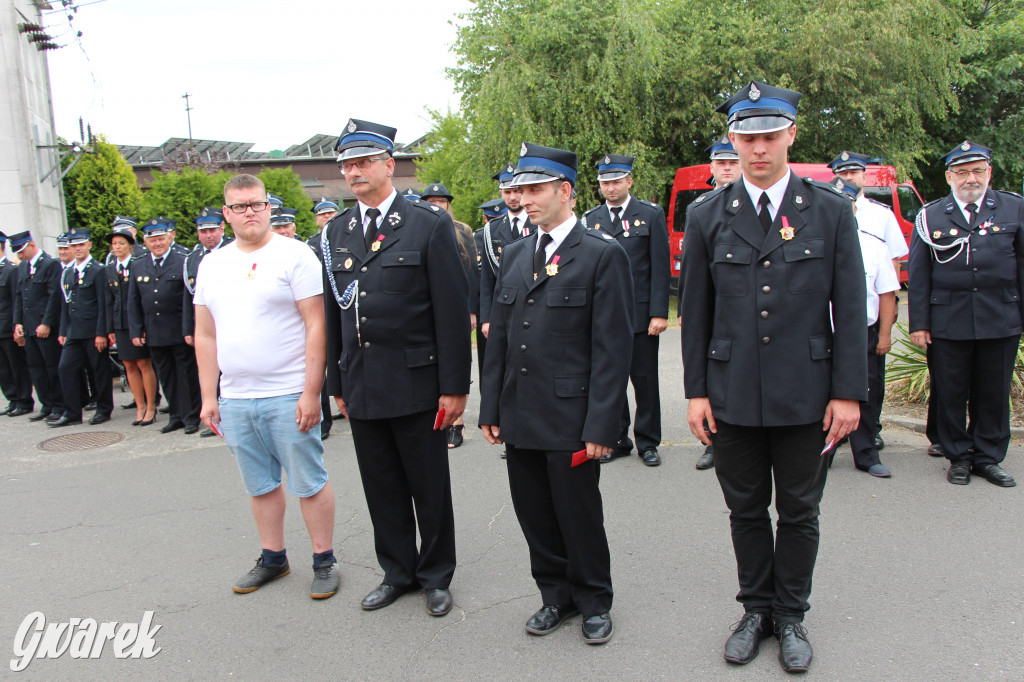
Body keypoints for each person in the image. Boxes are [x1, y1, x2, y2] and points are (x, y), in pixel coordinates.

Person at [680, 81, 866, 673]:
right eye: (746, 138)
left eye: (768, 136)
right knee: (745, 510)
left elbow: (849, 304)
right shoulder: (707, 214)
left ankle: (791, 615)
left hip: (807, 393)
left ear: (791, 135)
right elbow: (696, 315)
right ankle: (755, 609)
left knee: (801, 511)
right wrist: (695, 392)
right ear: (733, 141)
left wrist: (847, 393)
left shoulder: (830, 210)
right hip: (731, 391)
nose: (757, 149)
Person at [479, 142, 632, 645]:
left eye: (535, 189)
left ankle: (593, 600)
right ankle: (555, 596)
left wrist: (603, 425)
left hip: (572, 414)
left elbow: (612, 350)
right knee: (535, 514)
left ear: (565, 191)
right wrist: (490, 407)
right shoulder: (517, 252)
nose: (524, 198)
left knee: (578, 513)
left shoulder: (602, 255)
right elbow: (499, 335)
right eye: (520, 189)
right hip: (521, 412)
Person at [322, 118, 470, 617]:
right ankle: (397, 572)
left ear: (390, 164)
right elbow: (331, 315)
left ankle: (435, 575)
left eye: (364, 162)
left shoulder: (428, 224)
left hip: (417, 380)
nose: (354, 171)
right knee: (380, 484)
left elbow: (451, 313)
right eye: (347, 164)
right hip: (362, 382)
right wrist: (335, 381)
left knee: (428, 484)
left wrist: (454, 386)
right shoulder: (335, 232)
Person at [195, 173, 338, 599]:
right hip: (236, 397)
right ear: (226, 214)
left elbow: (317, 324)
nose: (249, 213)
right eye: (239, 207)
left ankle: (324, 560)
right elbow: (205, 333)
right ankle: (273, 558)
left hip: (288, 392)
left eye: (256, 204)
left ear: (269, 207)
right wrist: (208, 396)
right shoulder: (212, 264)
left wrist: (312, 392)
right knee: (259, 484)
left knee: (308, 481)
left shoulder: (295, 256)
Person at [908, 141, 1024, 488]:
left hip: (1000, 317)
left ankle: (988, 458)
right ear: (949, 176)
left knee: (993, 391)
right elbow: (919, 274)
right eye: (962, 172)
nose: (970, 178)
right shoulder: (930, 216)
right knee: (951, 390)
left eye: (977, 171)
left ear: (989, 173)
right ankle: (958, 456)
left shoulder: (1013, 208)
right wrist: (919, 323)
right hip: (948, 320)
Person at [581, 154, 670, 466]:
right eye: (605, 182)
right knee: (610, 380)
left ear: (630, 181)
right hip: (605, 318)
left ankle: (648, 442)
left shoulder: (650, 214)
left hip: (641, 316)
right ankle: (617, 440)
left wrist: (659, 312)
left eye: (616, 181)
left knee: (645, 381)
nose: (611, 187)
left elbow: (660, 266)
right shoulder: (591, 219)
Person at [829, 150, 908, 452]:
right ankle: (829, 441)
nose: (849, 177)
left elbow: (892, 272)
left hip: (866, 322)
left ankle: (868, 438)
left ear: (864, 175)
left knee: (869, 384)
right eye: (843, 173)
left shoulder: (879, 219)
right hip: (826, 327)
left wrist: (888, 326)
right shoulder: (819, 226)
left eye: (854, 173)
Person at [694, 136, 742, 471]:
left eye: (732, 161)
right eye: (721, 162)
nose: (726, 168)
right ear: (711, 168)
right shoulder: (703, 210)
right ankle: (712, 443)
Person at [128, 218, 202, 434]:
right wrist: (136, 330)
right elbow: (133, 301)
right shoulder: (138, 264)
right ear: (145, 241)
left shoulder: (183, 261)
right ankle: (176, 415)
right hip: (154, 330)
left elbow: (189, 300)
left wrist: (189, 329)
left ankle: (191, 416)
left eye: (161, 239)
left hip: (178, 329)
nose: (157, 244)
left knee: (186, 375)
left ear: (170, 238)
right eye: (153, 240)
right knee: (166, 376)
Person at [478, 165, 532, 459]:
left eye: (517, 191)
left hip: (530, 309)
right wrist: (487, 317)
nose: (513, 197)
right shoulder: (491, 229)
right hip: (500, 313)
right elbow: (487, 281)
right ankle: (507, 429)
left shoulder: (538, 223)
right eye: (507, 192)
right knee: (503, 374)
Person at [420, 182, 479, 449]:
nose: (437, 205)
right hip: (429, 309)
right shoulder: (419, 229)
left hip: (458, 307)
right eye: (431, 201)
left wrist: (472, 310)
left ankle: (456, 423)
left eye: (441, 201)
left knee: (456, 359)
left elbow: (470, 273)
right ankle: (439, 415)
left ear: (448, 205)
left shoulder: (462, 230)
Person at [52, 229, 113, 427]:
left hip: (93, 331)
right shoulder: (68, 272)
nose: (77, 249)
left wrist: (101, 332)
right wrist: (63, 331)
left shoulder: (98, 270)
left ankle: (103, 408)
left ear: (89, 245)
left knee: (99, 371)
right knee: (65, 368)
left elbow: (104, 304)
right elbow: (65, 304)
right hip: (73, 332)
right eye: (73, 246)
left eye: (80, 245)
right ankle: (72, 412)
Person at [183, 208, 233, 437]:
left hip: (230, 322)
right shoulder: (193, 259)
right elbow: (189, 297)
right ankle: (214, 416)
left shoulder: (234, 250)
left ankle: (228, 417)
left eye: (212, 230)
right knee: (208, 371)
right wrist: (189, 328)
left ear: (222, 228)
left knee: (229, 371)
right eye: (203, 232)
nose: (208, 235)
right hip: (206, 325)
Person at [105, 223, 158, 427]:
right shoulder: (110, 269)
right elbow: (109, 301)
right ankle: (140, 405)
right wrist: (110, 328)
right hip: (120, 323)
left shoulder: (137, 265)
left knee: (144, 363)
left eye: (121, 243)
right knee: (128, 364)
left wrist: (141, 326)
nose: (117, 247)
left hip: (137, 321)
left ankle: (151, 406)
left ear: (130, 246)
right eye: (114, 244)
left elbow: (139, 299)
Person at [9, 231, 64, 423]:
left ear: (31, 244)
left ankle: (59, 405)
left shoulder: (50, 264)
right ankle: (46, 405)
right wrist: (18, 323)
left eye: (22, 250)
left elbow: (54, 296)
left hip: (44, 326)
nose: (19, 255)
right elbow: (19, 297)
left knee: (52, 367)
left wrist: (47, 323)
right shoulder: (23, 267)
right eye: (16, 252)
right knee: (36, 368)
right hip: (29, 325)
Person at [0, 231, 34, 416]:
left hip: (7, 325)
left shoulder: (10, 270)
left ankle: (24, 400)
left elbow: (16, 299)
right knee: (3, 368)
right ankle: (12, 399)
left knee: (17, 364)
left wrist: (16, 324)